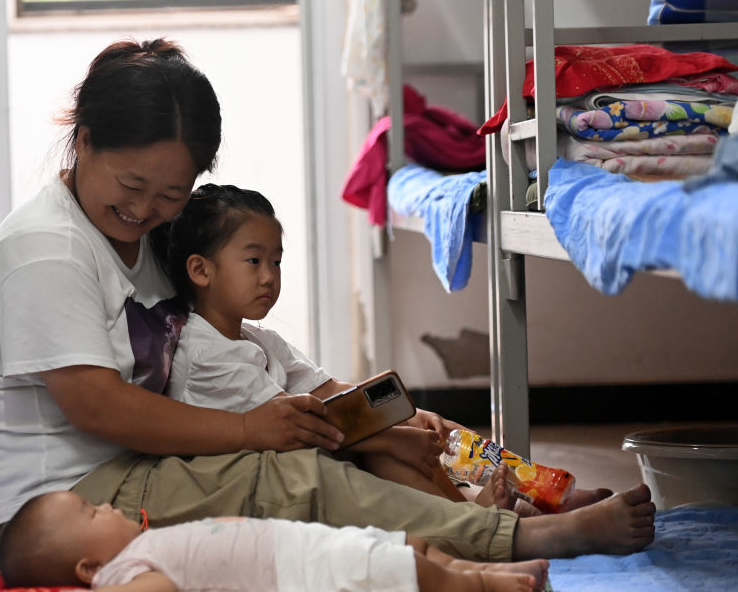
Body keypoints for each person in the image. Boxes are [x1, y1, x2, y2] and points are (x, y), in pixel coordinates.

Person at [0, 36, 655, 566]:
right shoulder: (46, 248)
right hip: (62, 503)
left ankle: (517, 495)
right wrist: (254, 432)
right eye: (131, 185)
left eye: (170, 194)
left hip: (138, 460)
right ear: (83, 140)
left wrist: (363, 417)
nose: (143, 209)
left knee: (391, 417)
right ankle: (513, 537)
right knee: (294, 476)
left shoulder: (155, 242)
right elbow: (98, 406)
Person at [157, 182, 611, 516]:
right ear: (200, 270)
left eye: (276, 261)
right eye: (254, 261)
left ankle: (546, 492)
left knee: (427, 425)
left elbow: (332, 391)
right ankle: (477, 518)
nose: (270, 276)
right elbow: (298, 425)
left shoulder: (257, 339)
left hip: (296, 450)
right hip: (256, 483)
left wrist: (408, 415)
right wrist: (394, 435)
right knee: (387, 447)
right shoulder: (206, 353)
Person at [0, 491, 550, 592]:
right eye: (93, 514)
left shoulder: (137, 544)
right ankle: (477, 584)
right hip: (292, 570)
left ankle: (472, 564)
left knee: (407, 543)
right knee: (400, 565)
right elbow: (162, 591)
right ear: (87, 567)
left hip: (296, 542)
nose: (108, 506)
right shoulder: (118, 577)